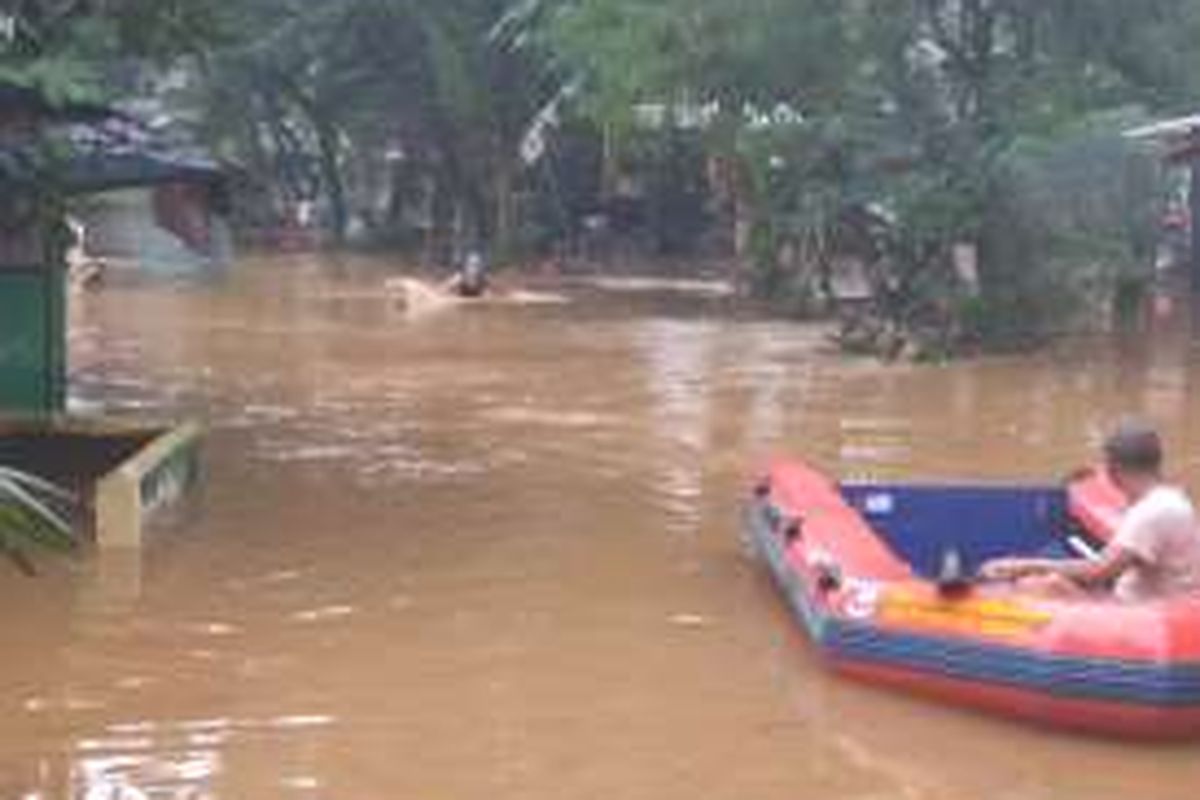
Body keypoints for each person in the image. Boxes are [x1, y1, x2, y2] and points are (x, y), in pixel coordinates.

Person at [981, 420, 1200, 601]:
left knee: (1041, 587)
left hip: (1143, 616)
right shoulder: (1173, 498)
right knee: (1047, 580)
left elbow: (1099, 572)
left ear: (1113, 469)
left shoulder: (1152, 513)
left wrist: (1023, 566)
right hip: (1153, 605)